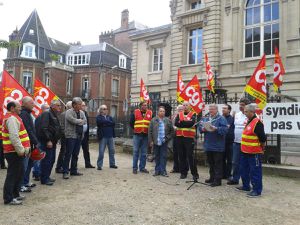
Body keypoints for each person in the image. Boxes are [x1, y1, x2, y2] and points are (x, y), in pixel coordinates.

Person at [2, 101, 30, 205]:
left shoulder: (13, 117)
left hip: (15, 151)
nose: (21, 109)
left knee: (18, 173)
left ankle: (15, 194)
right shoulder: (12, 119)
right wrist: (21, 150)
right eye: (18, 107)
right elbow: (14, 137)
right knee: (13, 174)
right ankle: (9, 198)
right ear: (12, 108)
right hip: (14, 152)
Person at [238, 104, 266, 197]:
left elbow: (262, 138)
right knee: (244, 169)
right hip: (245, 151)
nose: (244, 113)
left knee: (255, 172)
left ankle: (257, 191)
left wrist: (261, 148)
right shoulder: (249, 121)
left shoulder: (257, 123)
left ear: (252, 112)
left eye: (246, 111)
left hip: (254, 152)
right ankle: (246, 186)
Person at [199, 104, 228, 187]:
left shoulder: (221, 118)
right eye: (210, 109)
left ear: (216, 110)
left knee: (217, 163)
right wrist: (202, 129)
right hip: (208, 144)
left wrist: (216, 128)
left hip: (217, 145)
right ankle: (212, 177)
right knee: (211, 163)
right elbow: (200, 127)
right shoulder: (206, 118)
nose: (210, 111)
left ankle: (217, 180)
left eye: (212, 109)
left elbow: (225, 130)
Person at [227, 98, 250, 185]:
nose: (240, 106)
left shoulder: (250, 116)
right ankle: (235, 179)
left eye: (242, 105)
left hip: (246, 143)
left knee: (245, 163)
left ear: (247, 106)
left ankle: (246, 182)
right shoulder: (237, 115)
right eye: (240, 105)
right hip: (236, 142)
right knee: (235, 162)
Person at [38, 100, 62, 185]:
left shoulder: (54, 114)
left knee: (51, 160)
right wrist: (48, 140)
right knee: (47, 161)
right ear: (53, 106)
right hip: (48, 142)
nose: (60, 107)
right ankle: (44, 179)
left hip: (53, 141)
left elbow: (56, 127)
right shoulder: (47, 113)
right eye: (58, 105)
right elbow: (44, 128)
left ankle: (47, 176)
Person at [62, 97, 86, 179]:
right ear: (74, 105)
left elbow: (85, 121)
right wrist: (80, 121)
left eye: (81, 104)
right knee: (68, 154)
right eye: (79, 104)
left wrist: (78, 121)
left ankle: (73, 170)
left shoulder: (82, 112)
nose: (81, 106)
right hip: (70, 136)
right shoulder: (68, 112)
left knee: (76, 154)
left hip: (79, 136)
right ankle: (65, 171)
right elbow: (72, 120)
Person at [174, 101, 199, 181]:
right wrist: (185, 123)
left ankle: (194, 174)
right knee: (181, 156)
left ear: (190, 106)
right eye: (183, 105)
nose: (185, 106)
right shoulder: (179, 114)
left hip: (189, 138)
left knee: (190, 156)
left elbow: (191, 124)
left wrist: (182, 122)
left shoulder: (193, 114)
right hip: (179, 137)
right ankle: (183, 173)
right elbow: (176, 123)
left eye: (186, 105)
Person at [19, 96, 39, 192]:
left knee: (29, 164)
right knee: (24, 165)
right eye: (31, 103)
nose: (33, 104)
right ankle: (22, 185)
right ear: (25, 104)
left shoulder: (27, 113)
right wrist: (36, 142)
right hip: (26, 144)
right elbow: (29, 130)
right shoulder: (24, 114)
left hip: (30, 143)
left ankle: (26, 182)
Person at [148, 106, 174, 177]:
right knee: (157, 156)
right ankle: (157, 171)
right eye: (161, 111)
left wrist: (167, 138)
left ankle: (163, 171)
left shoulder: (168, 120)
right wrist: (151, 141)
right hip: (156, 142)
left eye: (163, 111)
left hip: (164, 142)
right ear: (158, 112)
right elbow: (150, 131)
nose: (162, 112)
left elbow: (172, 132)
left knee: (163, 156)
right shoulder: (153, 120)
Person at [129, 101, 152, 174]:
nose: (145, 106)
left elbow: (151, 124)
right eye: (144, 105)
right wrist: (136, 129)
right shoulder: (135, 112)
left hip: (145, 136)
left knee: (144, 153)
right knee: (135, 152)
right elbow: (131, 123)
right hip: (137, 135)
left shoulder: (150, 113)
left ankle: (142, 168)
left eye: (146, 105)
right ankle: (135, 168)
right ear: (140, 106)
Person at [96, 105, 118, 170]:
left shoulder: (110, 117)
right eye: (104, 109)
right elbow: (100, 123)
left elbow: (113, 123)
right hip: (103, 136)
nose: (106, 110)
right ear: (101, 110)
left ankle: (112, 164)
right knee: (101, 151)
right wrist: (108, 123)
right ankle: (99, 165)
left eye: (106, 109)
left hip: (110, 136)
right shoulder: (98, 117)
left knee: (112, 151)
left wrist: (106, 123)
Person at [33, 103, 50, 181]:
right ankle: (37, 173)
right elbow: (40, 129)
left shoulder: (41, 116)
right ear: (43, 109)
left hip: (40, 139)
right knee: (38, 158)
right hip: (40, 140)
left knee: (40, 157)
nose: (49, 110)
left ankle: (38, 173)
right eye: (47, 108)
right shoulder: (40, 117)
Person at [55, 101, 72, 173]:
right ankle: (59, 167)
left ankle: (64, 166)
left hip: (70, 136)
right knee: (63, 151)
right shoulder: (63, 114)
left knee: (67, 152)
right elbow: (61, 126)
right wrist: (64, 134)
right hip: (65, 136)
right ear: (68, 107)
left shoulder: (71, 114)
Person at [170, 105, 184, 173]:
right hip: (175, 135)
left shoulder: (184, 116)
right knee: (175, 152)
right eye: (178, 109)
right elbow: (171, 124)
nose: (180, 110)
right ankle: (176, 168)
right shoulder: (174, 116)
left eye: (181, 109)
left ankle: (182, 168)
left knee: (181, 153)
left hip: (182, 135)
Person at [222, 104, 234, 179]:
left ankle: (228, 174)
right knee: (222, 159)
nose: (223, 109)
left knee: (229, 159)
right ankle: (223, 174)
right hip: (222, 141)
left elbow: (227, 127)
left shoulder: (231, 118)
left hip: (230, 142)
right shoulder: (220, 118)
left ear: (229, 110)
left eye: (225, 108)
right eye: (223, 108)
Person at [81, 101, 95, 168]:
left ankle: (88, 164)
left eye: (84, 105)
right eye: (83, 105)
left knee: (86, 150)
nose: (84, 106)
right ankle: (72, 166)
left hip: (85, 136)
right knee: (75, 152)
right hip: (78, 135)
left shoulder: (86, 113)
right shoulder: (77, 113)